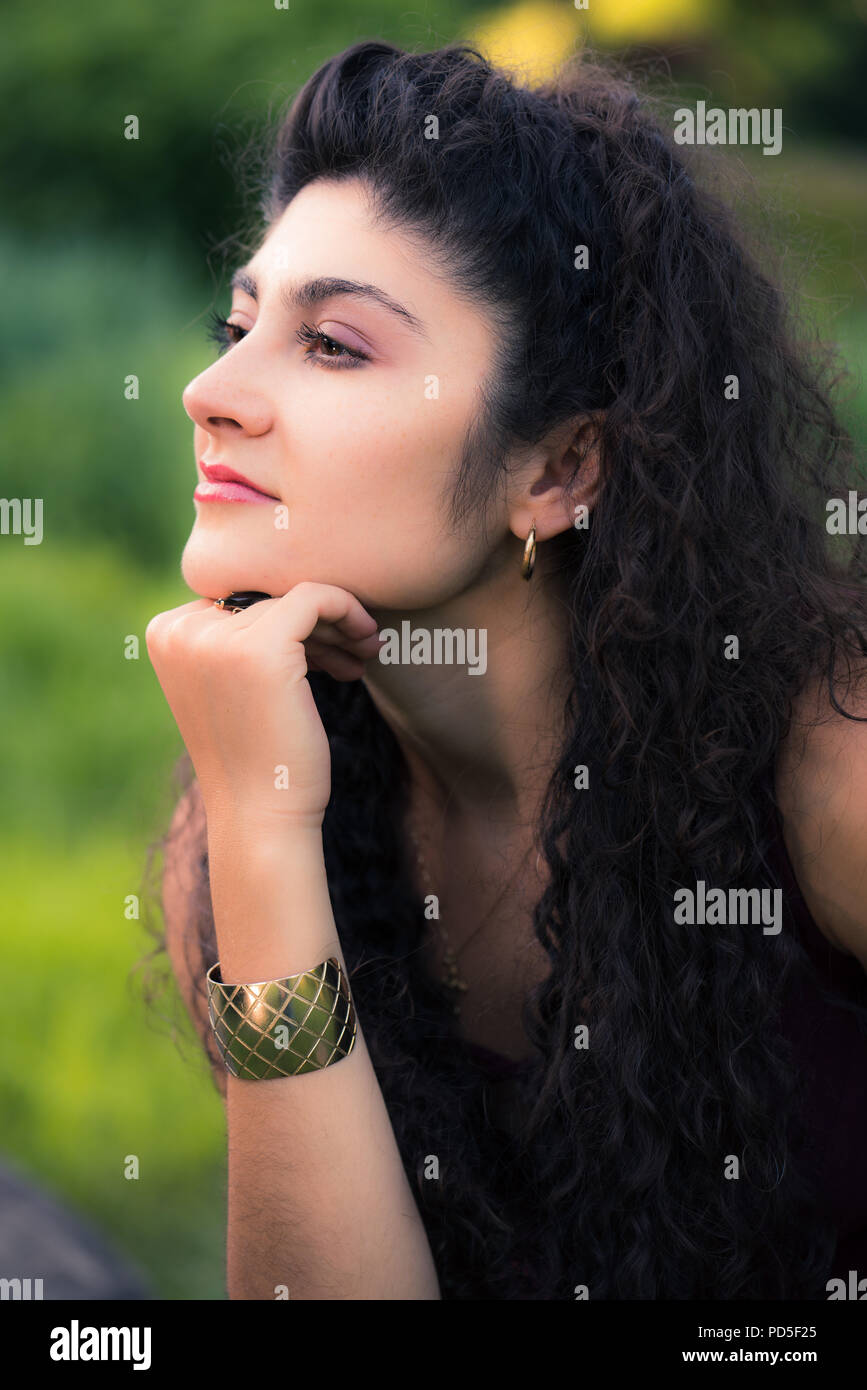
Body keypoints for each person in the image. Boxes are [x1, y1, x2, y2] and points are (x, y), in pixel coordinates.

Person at [142, 40, 867, 1300]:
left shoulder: (832, 769)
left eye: (333, 347)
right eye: (238, 324)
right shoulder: (258, 816)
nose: (210, 390)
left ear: (559, 471)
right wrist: (260, 826)